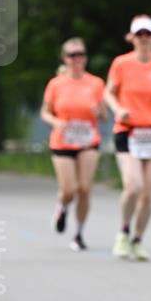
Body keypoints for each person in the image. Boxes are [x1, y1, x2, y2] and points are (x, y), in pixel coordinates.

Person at [105, 15, 151, 261]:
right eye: (139, 35)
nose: (144, 39)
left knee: (148, 192)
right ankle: (123, 232)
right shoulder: (121, 64)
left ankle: (137, 240)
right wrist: (117, 110)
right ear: (131, 38)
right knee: (133, 185)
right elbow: (108, 93)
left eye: (148, 34)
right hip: (128, 130)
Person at [41, 37, 107, 251]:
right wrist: (56, 122)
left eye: (81, 54)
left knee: (85, 189)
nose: (77, 59)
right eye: (72, 55)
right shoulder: (56, 84)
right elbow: (45, 112)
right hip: (63, 141)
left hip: (88, 140)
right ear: (64, 58)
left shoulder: (96, 83)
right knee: (69, 189)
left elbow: (104, 115)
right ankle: (62, 207)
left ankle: (78, 234)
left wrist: (100, 113)